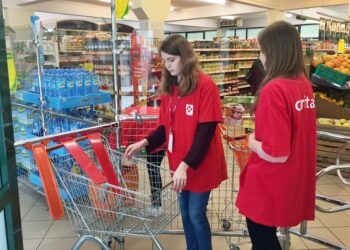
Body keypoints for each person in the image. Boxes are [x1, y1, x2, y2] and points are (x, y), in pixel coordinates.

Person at [125, 34, 227, 250]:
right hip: (179, 163)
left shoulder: (206, 86)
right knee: (185, 213)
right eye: (164, 60)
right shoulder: (170, 89)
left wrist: (184, 165)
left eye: (171, 59)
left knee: (196, 214)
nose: (167, 65)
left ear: (185, 57)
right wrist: (142, 142)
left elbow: (206, 132)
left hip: (199, 164)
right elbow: (164, 128)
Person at [235, 21, 317, 250]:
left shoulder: (274, 88)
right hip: (292, 177)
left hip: (269, 182)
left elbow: (276, 153)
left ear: (273, 51)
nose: (259, 57)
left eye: (261, 50)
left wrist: (252, 142)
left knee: (262, 239)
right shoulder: (303, 83)